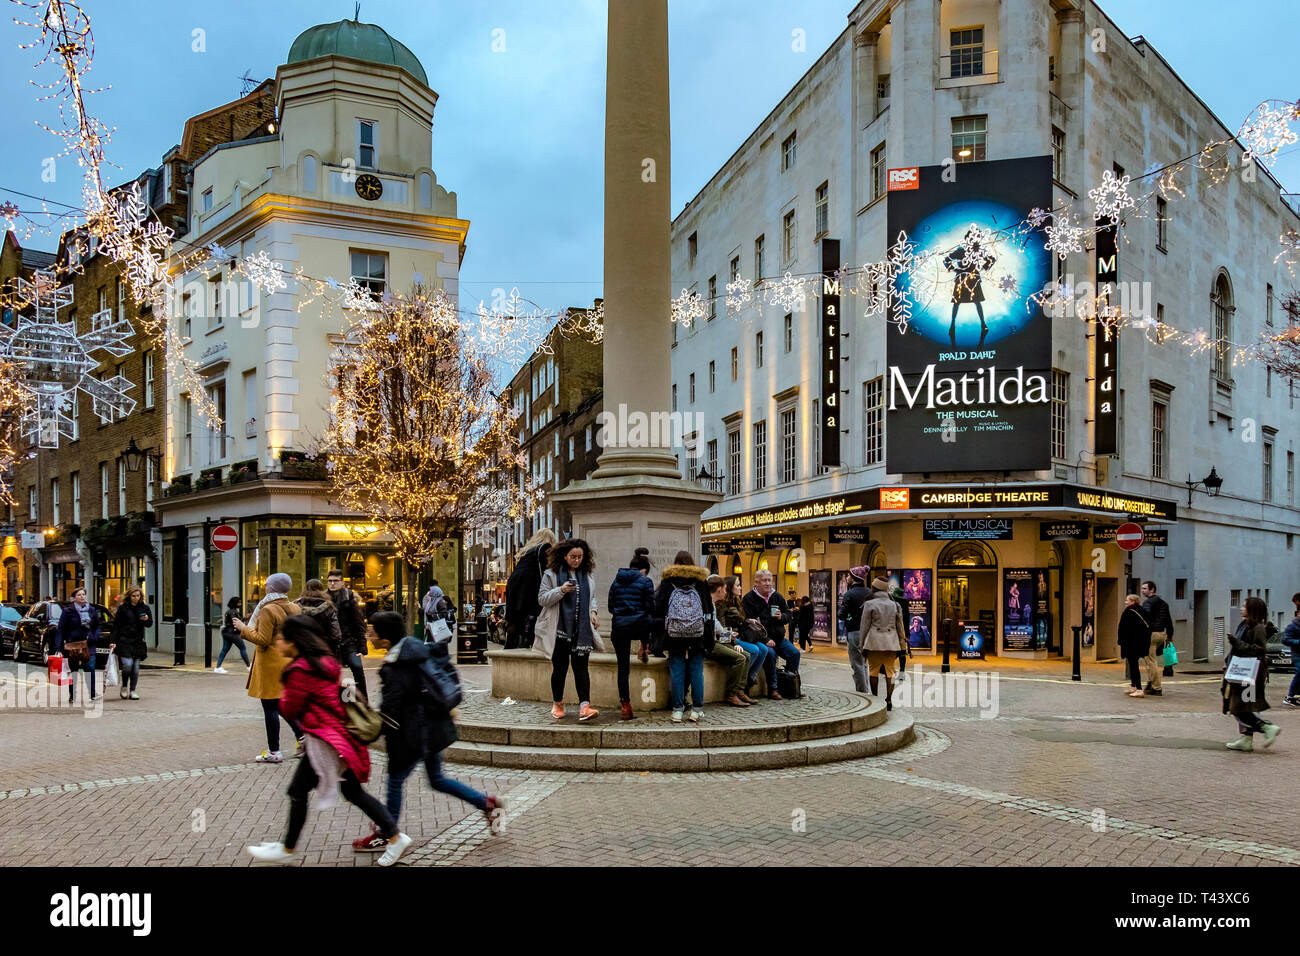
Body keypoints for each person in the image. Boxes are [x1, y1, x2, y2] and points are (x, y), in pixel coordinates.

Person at [246, 613, 411, 866]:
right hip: (338, 738)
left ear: (294, 641)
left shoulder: (300, 669)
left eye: (281, 638)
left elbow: (290, 709)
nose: (278, 642)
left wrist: (284, 689)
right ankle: (394, 835)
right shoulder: (323, 662)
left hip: (325, 742)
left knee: (298, 791)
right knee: (352, 792)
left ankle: (287, 849)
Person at [351, 611, 505, 853]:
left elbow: (391, 711)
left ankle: (387, 832)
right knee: (437, 779)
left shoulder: (396, 666)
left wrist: (366, 728)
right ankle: (486, 803)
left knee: (395, 781)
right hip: (433, 727)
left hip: (414, 735)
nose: (369, 634)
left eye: (373, 631)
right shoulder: (416, 650)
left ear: (385, 639)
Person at [234, 573, 304, 763]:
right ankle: (303, 738)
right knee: (282, 705)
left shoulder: (268, 609)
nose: (265, 587)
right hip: (287, 660)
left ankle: (274, 751)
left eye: (267, 585)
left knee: (270, 707)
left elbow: (262, 640)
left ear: (272, 588)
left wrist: (243, 628)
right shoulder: (295, 607)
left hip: (270, 664)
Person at [535, 538, 604, 721]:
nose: (577, 560)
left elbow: (592, 597)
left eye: (580, 556)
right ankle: (557, 703)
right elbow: (542, 599)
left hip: (581, 630)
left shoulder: (587, 575)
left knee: (582, 668)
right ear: (564, 556)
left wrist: (594, 612)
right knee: (560, 668)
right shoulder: (551, 574)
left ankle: (585, 706)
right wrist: (561, 590)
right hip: (560, 629)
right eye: (573, 556)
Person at [655, 552, 713, 721]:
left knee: (677, 670)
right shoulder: (701, 581)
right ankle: (696, 709)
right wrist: (709, 639)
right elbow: (708, 610)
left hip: (674, 634)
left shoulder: (668, 581)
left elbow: (659, 609)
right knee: (696, 671)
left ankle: (678, 710)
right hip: (698, 634)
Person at [1222, 596, 1281, 752]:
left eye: (1244, 606)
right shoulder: (1244, 625)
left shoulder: (1258, 628)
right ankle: (1246, 738)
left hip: (1250, 673)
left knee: (1242, 707)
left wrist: (1236, 642)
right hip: (1238, 670)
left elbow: (1259, 650)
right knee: (1236, 705)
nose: (1241, 608)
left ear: (1252, 609)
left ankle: (1267, 728)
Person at [606, 548, 656, 719]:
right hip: (639, 626)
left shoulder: (616, 581)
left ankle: (625, 705)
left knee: (623, 668)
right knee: (649, 621)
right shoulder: (646, 581)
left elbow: (610, 607)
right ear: (644, 570)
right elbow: (650, 607)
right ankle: (645, 646)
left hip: (619, 627)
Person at [741, 569, 800, 698]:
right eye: (764, 580)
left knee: (794, 654)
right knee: (770, 655)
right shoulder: (749, 599)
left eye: (769, 580)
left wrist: (781, 617)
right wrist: (766, 639)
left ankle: (790, 684)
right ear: (756, 582)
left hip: (779, 638)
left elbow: (789, 615)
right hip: (762, 639)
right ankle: (773, 688)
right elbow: (751, 624)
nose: (768, 583)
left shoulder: (777, 596)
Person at [504, 528, 557, 649]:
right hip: (530, 590)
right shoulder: (545, 549)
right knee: (530, 624)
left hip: (515, 589)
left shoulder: (527, 553)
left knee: (515, 625)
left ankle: (512, 646)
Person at [859, 576, 907, 710]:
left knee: (873, 670)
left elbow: (864, 627)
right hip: (891, 642)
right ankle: (889, 700)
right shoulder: (895, 605)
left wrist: (861, 644)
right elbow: (900, 626)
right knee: (890, 671)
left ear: (875, 588)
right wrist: (902, 644)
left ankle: (875, 698)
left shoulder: (869, 604)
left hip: (874, 642)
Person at [704, 574, 751, 707]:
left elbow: (717, 625)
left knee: (746, 655)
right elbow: (714, 626)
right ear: (719, 590)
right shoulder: (709, 604)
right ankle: (731, 694)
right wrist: (730, 638)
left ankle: (740, 691)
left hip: (720, 639)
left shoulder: (712, 603)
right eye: (724, 589)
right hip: (709, 643)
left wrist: (729, 635)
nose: (726, 591)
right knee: (740, 658)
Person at [55, 587, 106, 704]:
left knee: (90, 667)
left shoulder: (92, 610)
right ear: (74, 597)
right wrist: (59, 648)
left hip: (89, 644)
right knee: (73, 671)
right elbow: (61, 630)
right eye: (79, 595)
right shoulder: (68, 611)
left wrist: (94, 636)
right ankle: (72, 695)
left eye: (83, 594)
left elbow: (97, 626)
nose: (82, 597)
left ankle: (92, 694)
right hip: (73, 645)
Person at [719, 575, 765, 701]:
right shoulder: (723, 604)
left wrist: (748, 621)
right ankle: (741, 687)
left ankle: (749, 678)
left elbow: (740, 620)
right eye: (737, 585)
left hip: (742, 635)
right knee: (754, 651)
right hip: (731, 637)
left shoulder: (738, 601)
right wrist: (733, 641)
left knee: (764, 650)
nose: (740, 587)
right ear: (729, 588)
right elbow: (722, 628)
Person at [326, 569, 369, 698]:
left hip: (348, 641)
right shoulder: (324, 598)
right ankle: (336, 701)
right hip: (331, 643)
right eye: (330, 581)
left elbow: (359, 622)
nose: (332, 584)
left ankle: (364, 701)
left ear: (342, 583)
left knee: (357, 668)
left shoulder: (349, 597)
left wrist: (362, 645)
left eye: (335, 581)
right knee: (330, 673)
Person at [112, 587, 152, 700]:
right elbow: (116, 626)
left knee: (135, 668)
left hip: (138, 641)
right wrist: (112, 641)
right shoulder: (123, 609)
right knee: (128, 665)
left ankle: (133, 690)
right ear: (129, 596)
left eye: (138, 596)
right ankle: (124, 686)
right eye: (134, 596)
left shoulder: (144, 608)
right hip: (124, 641)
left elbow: (150, 624)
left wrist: (146, 619)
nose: (136, 598)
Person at [838, 567, 871, 692]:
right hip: (868, 632)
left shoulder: (849, 594)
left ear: (854, 578)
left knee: (857, 664)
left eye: (849, 576)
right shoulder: (869, 592)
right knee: (864, 663)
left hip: (854, 632)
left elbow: (841, 614)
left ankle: (862, 692)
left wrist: (848, 617)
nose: (847, 578)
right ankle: (867, 689)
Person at [1140, 580, 1175, 694]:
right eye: (1142, 588)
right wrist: (1170, 636)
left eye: (1145, 588)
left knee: (1151, 661)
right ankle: (1150, 684)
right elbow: (1168, 621)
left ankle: (1156, 687)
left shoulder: (1147, 603)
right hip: (1161, 634)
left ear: (1152, 590)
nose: (1142, 590)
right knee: (1152, 659)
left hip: (1150, 634)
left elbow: (1144, 619)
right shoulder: (1164, 603)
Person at [298, 579, 344, 660]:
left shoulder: (296, 606)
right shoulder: (328, 607)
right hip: (323, 649)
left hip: (302, 649)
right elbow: (336, 634)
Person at [1118, 594, 1152, 697]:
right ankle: (1133, 686)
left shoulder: (1129, 612)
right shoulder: (1141, 610)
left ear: (1133, 601)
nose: (1125, 602)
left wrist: (1121, 640)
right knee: (1133, 664)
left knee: (1133, 665)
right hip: (1140, 642)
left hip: (1131, 643)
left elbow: (1124, 628)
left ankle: (1139, 688)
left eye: (1127, 600)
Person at [215, 596, 251, 673]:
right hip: (233, 633)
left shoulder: (230, 611)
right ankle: (249, 666)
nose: (240, 604)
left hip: (226, 632)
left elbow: (235, 621)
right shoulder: (233, 612)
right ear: (235, 603)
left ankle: (218, 667)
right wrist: (244, 620)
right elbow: (235, 622)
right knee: (242, 648)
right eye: (239, 602)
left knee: (224, 650)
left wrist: (244, 618)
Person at [889, 584, 912, 674]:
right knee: (902, 651)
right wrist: (907, 634)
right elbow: (906, 620)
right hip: (902, 630)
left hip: (892, 630)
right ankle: (902, 672)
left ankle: (889, 669)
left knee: (892, 651)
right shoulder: (905, 603)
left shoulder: (892, 603)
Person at [1283, 592, 1300, 707]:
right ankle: (1290, 696)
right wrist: (1298, 642)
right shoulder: (1293, 626)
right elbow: (1285, 640)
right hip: (1297, 654)